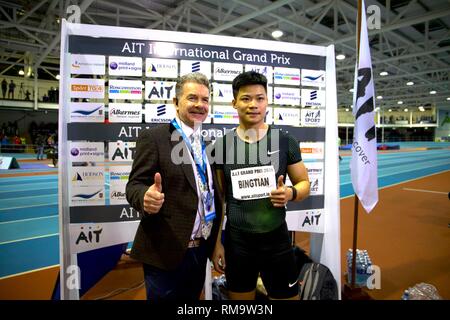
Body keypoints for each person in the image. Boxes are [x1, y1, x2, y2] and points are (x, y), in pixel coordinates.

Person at [212, 71, 311, 300]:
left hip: (277, 242)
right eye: (246, 98)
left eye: (260, 98)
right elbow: (220, 200)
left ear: (267, 102)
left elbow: (304, 183)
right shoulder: (221, 146)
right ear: (234, 103)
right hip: (238, 244)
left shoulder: (286, 141)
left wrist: (290, 192)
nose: (253, 104)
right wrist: (217, 243)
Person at [126, 72, 222, 301]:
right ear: (176, 103)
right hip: (164, 252)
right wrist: (145, 198)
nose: (200, 105)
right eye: (192, 98)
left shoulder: (207, 145)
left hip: (199, 251)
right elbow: (134, 185)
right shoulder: (155, 138)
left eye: (205, 99)